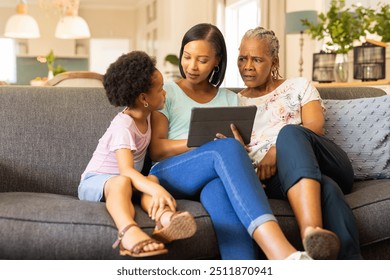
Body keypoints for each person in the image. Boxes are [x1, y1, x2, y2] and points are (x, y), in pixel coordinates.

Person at [149, 23, 314, 260]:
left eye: (202, 60)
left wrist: (240, 156)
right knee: (224, 148)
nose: (192, 67)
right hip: (173, 172)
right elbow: (157, 149)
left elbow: (241, 147)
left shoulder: (230, 98)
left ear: (217, 61)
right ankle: (282, 254)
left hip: (214, 177)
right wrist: (206, 144)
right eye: (187, 57)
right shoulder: (166, 92)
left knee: (227, 211)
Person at [223, 26, 362, 259]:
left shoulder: (299, 86)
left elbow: (315, 127)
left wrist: (277, 150)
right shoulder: (234, 101)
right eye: (242, 59)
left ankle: (309, 228)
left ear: (274, 62)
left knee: (290, 133)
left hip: (326, 161)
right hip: (279, 178)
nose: (247, 66)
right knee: (327, 189)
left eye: (257, 59)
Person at [78, 51, 197, 258]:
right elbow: (126, 171)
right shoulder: (123, 125)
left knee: (152, 178)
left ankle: (165, 219)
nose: (165, 93)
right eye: (160, 90)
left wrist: (153, 185)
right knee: (125, 182)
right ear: (143, 98)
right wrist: (154, 189)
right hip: (96, 182)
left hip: (126, 182)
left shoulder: (150, 116)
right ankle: (128, 232)